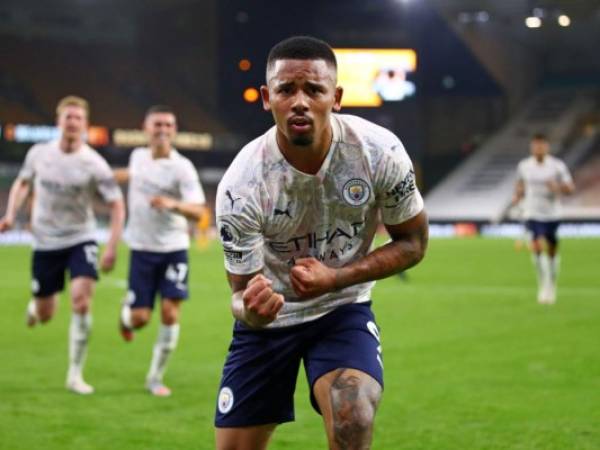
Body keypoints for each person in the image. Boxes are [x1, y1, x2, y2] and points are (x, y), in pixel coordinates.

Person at [214, 36, 428, 450]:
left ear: (337, 97)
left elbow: (414, 243)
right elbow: (239, 295)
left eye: (314, 89)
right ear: (266, 98)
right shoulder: (241, 186)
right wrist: (253, 310)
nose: (299, 101)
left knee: (354, 415)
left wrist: (337, 278)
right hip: (269, 325)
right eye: (286, 89)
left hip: (341, 308)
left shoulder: (379, 153)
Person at [0, 95, 125, 394]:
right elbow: (22, 183)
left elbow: (117, 204)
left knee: (82, 300)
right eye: (68, 117)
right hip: (45, 241)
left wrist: (111, 246)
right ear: (59, 121)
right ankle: (35, 307)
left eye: (78, 119)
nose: (72, 123)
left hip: (81, 237)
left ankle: (75, 374)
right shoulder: (39, 154)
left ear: (84, 125)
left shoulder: (94, 163)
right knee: (46, 312)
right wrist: (10, 214)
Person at [114, 105, 206, 397]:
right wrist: (113, 177)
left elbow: (199, 211)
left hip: (173, 249)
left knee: (169, 312)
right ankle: (125, 316)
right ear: (146, 128)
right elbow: (135, 176)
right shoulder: (137, 157)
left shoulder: (183, 168)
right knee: (140, 318)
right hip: (141, 249)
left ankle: (155, 377)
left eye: (168, 125)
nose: (163, 130)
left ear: (175, 130)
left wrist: (173, 204)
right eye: (158, 125)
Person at [512, 133, 575, 304]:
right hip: (532, 213)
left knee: (552, 251)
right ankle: (543, 285)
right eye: (535, 146)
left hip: (552, 214)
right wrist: (517, 195)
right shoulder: (524, 166)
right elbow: (519, 184)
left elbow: (570, 188)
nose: (538, 149)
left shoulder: (557, 166)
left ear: (547, 147)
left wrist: (558, 187)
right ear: (532, 147)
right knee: (537, 245)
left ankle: (552, 284)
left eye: (541, 145)